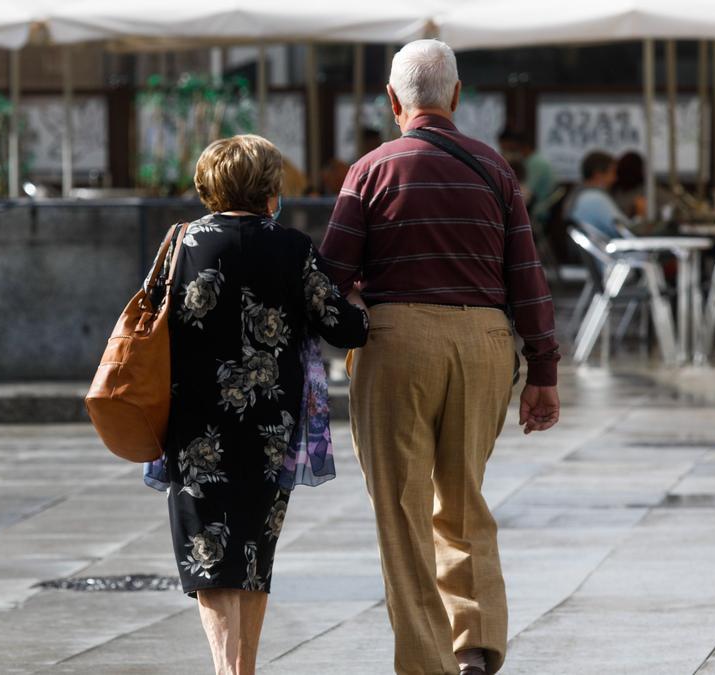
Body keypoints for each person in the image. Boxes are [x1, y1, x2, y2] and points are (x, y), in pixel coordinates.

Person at [320, 39, 561, 675]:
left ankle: (427, 663)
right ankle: (476, 648)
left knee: (401, 513)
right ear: (456, 98)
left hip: (396, 342)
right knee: (464, 501)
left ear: (393, 101)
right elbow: (527, 277)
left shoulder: (370, 170)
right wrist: (543, 372)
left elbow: (332, 275)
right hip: (484, 344)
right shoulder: (496, 171)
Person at [148, 134, 368, 675]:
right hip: (272, 426)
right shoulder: (292, 248)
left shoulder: (181, 243)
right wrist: (363, 300)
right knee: (253, 549)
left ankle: (229, 671)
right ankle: (241, 669)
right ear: (270, 187)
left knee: (208, 551)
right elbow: (345, 328)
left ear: (209, 185)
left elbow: (148, 320)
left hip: (194, 422)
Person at [565, 150, 631, 240]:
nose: (615, 178)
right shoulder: (595, 198)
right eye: (612, 172)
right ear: (598, 175)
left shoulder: (579, 194)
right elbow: (625, 230)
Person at [498, 128, 555, 224]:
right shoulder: (532, 161)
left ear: (521, 147)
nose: (509, 152)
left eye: (510, 149)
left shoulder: (535, 163)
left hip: (538, 212)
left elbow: (525, 194)